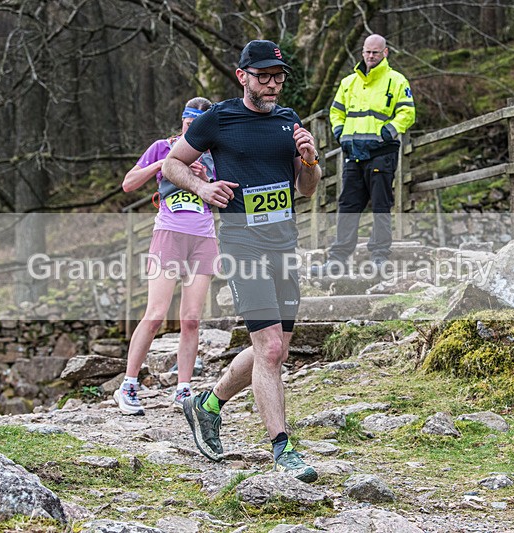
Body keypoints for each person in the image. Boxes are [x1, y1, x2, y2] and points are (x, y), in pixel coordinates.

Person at [161, 40, 322, 483]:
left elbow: (307, 188)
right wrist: (202, 189)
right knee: (269, 348)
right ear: (242, 76)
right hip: (240, 244)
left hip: (283, 245)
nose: (272, 84)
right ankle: (282, 448)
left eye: (278, 76)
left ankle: (209, 404)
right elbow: (173, 164)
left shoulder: (290, 122)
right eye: (264, 76)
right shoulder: (219, 118)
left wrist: (309, 158)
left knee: (275, 349)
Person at [113, 97, 218, 416]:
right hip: (169, 234)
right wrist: (165, 164)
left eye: (198, 123)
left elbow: (228, 194)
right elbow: (128, 184)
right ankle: (128, 384)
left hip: (203, 237)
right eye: (188, 122)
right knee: (156, 312)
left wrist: (204, 180)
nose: (191, 127)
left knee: (191, 318)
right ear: (182, 122)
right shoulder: (163, 146)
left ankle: (183, 389)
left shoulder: (216, 155)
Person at [313, 33, 415, 276]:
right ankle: (337, 261)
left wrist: (385, 134)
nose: (370, 56)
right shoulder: (349, 82)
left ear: (385, 53)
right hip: (353, 153)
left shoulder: (396, 81)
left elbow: (407, 114)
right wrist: (341, 135)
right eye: (367, 52)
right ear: (362, 52)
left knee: (380, 205)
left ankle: (379, 257)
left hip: (382, 153)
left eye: (375, 52)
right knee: (347, 205)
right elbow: (336, 112)